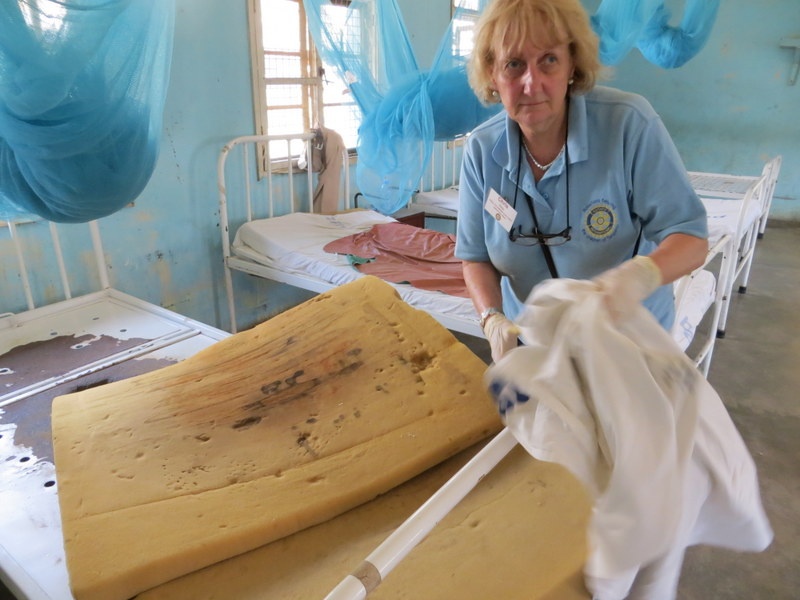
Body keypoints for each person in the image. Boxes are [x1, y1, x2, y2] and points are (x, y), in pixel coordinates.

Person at [455, 0, 709, 363]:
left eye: (549, 60)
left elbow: (692, 239)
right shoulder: (481, 150)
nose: (531, 82)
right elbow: (475, 257)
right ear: (492, 74)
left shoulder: (628, 125)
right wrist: (492, 318)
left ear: (572, 64)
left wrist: (638, 276)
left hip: (628, 345)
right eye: (513, 64)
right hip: (534, 345)